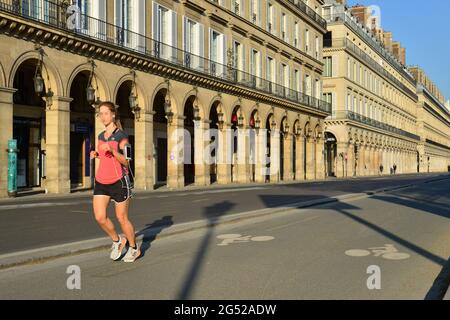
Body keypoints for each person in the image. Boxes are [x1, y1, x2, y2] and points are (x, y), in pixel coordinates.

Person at [90, 101, 140, 263]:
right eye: (100, 113)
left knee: (122, 218)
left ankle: (133, 248)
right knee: (99, 217)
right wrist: (96, 153)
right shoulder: (100, 136)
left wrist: (112, 150)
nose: (103, 116)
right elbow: (104, 156)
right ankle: (117, 240)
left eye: (106, 113)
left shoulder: (122, 136)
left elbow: (127, 161)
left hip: (119, 181)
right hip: (101, 181)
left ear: (113, 115)